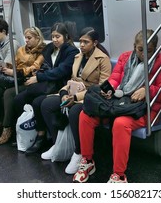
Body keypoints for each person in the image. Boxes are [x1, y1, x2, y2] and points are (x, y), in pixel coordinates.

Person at [73, 29, 161, 183]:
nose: (144, 55)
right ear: (134, 47)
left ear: (156, 49)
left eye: (150, 51)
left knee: (120, 123)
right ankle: (87, 161)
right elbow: (115, 78)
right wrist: (110, 89)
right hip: (120, 102)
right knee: (85, 115)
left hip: (143, 108)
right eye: (140, 50)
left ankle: (119, 175)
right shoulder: (125, 58)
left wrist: (147, 90)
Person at [40, 27, 111, 174]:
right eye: (81, 41)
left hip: (91, 97)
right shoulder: (78, 57)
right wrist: (64, 93)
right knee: (46, 104)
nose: (82, 45)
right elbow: (72, 80)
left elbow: (102, 87)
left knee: (74, 112)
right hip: (73, 92)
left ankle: (79, 152)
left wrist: (76, 97)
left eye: (86, 42)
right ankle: (57, 144)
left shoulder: (103, 59)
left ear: (95, 43)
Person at [14, 22, 79, 153]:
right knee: (18, 99)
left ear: (66, 36)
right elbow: (44, 65)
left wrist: (39, 77)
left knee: (38, 102)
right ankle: (28, 133)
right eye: (53, 36)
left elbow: (62, 71)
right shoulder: (49, 48)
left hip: (59, 85)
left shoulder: (71, 51)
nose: (54, 40)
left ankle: (42, 135)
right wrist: (37, 73)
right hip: (47, 84)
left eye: (58, 36)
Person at [0, 27, 46, 145]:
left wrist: (15, 72)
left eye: (29, 38)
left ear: (37, 38)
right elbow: (14, 63)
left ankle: (7, 128)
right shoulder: (21, 50)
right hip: (16, 78)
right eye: (25, 38)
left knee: (9, 93)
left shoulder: (42, 51)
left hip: (27, 79)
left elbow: (35, 67)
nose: (26, 40)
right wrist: (6, 66)